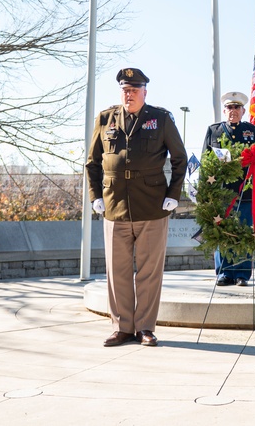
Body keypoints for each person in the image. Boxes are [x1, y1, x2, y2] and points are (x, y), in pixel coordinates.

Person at [86, 67, 186, 348]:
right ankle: (122, 328)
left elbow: (180, 159)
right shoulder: (106, 118)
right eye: (125, 90)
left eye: (134, 90)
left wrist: (173, 194)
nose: (128, 94)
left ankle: (145, 328)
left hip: (152, 206)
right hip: (115, 206)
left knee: (148, 272)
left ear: (145, 92)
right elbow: (92, 162)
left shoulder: (161, 119)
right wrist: (96, 195)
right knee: (116, 272)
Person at [202, 91, 255, 286]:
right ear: (224, 110)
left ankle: (242, 274)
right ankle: (224, 272)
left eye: (237, 107)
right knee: (223, 232)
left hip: (245, 190)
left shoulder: (252, 132)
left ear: (243, 111)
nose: (233, 111)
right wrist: (206, 189)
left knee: (244, 231)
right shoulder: (214, 131)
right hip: (221, 192)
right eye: (229, 107)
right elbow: (206, 161)